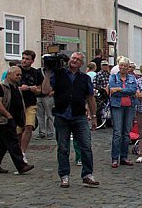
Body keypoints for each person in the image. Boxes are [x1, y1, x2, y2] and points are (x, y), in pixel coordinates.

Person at [41, 52, 99, 188]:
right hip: (62, 115)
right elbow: (45, 90)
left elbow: (90, 98)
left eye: (78, 59)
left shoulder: (84, 78)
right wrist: (48, 73)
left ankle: (87, 175)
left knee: (86, 146)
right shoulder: (59, 74)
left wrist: (94, 116)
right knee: (63, 147)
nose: (74, 60)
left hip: (79, 116)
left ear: (81, 64)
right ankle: (64, 175)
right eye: (73, 58)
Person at [0, 66, 34, 175]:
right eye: (17, 74)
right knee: (13, 141)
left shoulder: (15, 87)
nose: (19, 77)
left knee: (3, 143)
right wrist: (8, 115)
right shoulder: (1, 87)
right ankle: (21, 165)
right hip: (4, 119)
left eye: (20, 75)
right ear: (9, 75)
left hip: (14, 118)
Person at [108, 58, 137, 168]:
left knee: (126, 133)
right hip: (117, 106)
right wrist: (124, 91)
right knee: (117, 133)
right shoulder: (113, 77)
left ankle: (124, 157)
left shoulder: (132, 77)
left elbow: (133, 90)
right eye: (121, 65)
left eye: (125, 65)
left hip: (129, 107)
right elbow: (112, 91)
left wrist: (119, 90)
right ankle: (115, 158)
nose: (123, 67)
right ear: (118, 66)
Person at [18, 51, 44, 156]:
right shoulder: (16, 70)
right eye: (23, 58)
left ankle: (22, 152)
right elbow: (8, 87)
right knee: (18, 131)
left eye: (27, 59)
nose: (24, 60)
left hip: (31, 103)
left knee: (29, 126)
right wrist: (21, 88)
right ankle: (18, 152)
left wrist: (35, 90)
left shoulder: (36, 73)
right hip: (17, 104)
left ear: (32, 61)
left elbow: (41, 88)